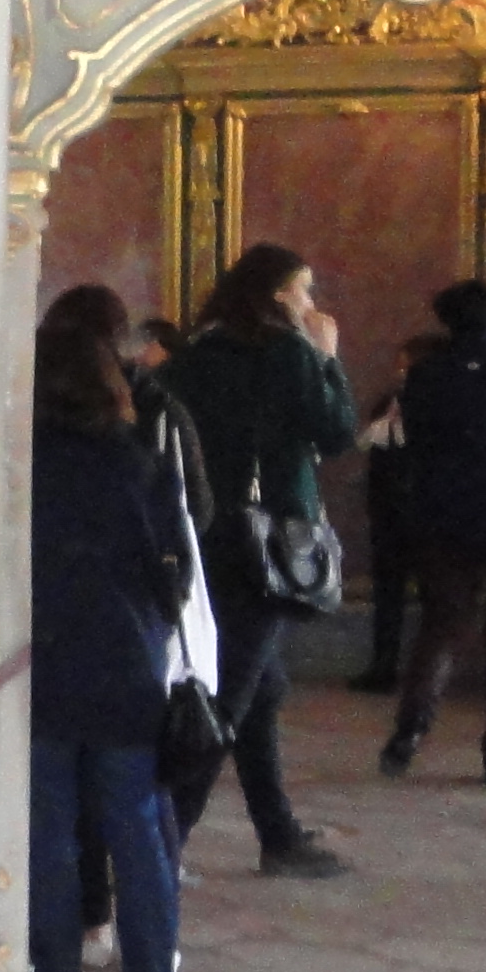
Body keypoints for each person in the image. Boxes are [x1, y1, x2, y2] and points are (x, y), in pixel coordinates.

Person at [166, 244, 360, 878]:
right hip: (266, 544)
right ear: (279, 294)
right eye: (304, 289)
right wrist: (326, 358)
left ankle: (277, 833)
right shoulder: (288, 353)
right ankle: (164, 843)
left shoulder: (197, 353)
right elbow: (336, 431)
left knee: (260, 688)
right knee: (226, 698)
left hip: (209, 537)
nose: (310, 301)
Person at [27, 314, 186, 972]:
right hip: (127, 659)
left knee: (51, 829)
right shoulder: (140, 463)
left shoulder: (25, 465)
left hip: (47, 658)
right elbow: (175, 571)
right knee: (137, 824)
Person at [383, 282, 486, 786]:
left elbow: (414, 444)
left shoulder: (424, 375)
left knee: (442, 624)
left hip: (442, 512)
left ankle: (409, 732)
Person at [347, 342, 431, 695]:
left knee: (432, 596)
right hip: (389, 511)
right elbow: (373, 449)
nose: (400, 373)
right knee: (387, 593)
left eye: (406, 366)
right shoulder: (388, 403)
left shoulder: (436, 405)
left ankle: (425, 672)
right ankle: (384, 665)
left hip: (426, 512)